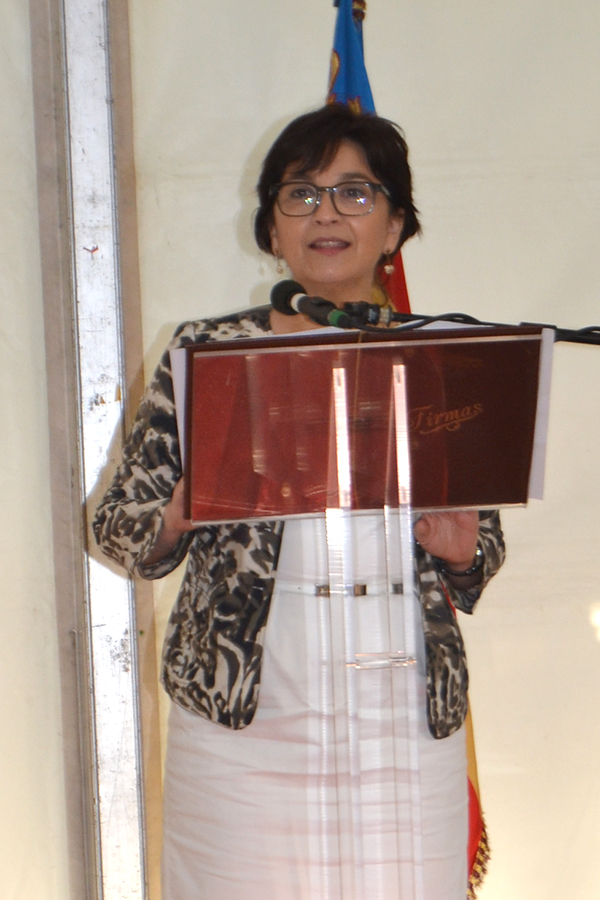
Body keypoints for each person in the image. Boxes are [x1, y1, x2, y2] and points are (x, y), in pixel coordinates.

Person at [94, 104, 505, 900]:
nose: (326, 214)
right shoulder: (205, 355)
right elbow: (117, 527)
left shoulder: (441, 360)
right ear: (271, 228)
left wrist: (463, 549)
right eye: (301, 194)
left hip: (403, 716)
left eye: (355, 193)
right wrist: (175, 516)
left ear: (394, 226)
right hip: (247, 717)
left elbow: (479, 550)